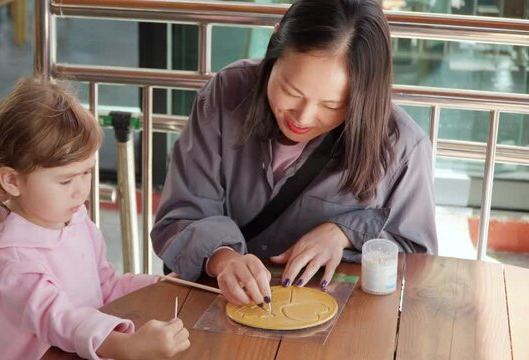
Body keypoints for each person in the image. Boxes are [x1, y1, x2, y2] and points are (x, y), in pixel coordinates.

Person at [151, 0, 438, 307]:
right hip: (221, 307)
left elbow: (418, 259)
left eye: (332, 105)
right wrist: (222, 257)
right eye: (290, 91)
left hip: (344, 328)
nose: (302, 117)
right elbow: (179, 215)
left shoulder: (401, 147)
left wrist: (344, 234)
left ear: (363, 96)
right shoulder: (227, 94)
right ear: (274, 46)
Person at [0, 78, 190, 360]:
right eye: (66, 180)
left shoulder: (76, 220)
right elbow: (60, 319)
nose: (81, 190)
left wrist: (162, 287)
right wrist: (125, 346)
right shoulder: (11, 259)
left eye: (87, 172)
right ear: (12, 180)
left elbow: (105, 288)